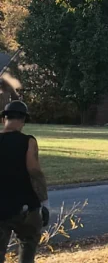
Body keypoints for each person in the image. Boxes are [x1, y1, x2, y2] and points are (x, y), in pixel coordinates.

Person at [0, 101, 48, 263]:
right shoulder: (28, 141)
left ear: (3, 119)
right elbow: (34, 170)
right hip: (26, 206)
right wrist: (43, 200)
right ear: (23, 120)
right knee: (27, 245)